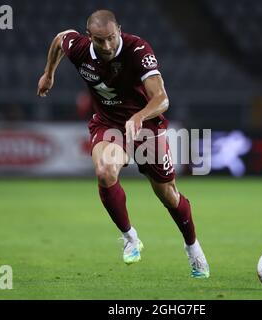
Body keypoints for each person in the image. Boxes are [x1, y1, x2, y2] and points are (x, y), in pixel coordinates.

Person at [37, 10, 209, 278]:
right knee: (105, 172)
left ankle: (193, 249)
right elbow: (60, 38)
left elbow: (162, 99)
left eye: (111, 38)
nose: (106, 46)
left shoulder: (137, 49)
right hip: (108, 125)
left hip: (146, 127)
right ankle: (130, 238)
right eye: (99, 40)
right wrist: (49, 73)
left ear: (120, 30)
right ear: (88, 37)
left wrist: (139, 116)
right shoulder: (80, 48)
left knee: (167, 195)